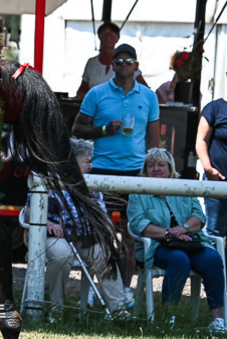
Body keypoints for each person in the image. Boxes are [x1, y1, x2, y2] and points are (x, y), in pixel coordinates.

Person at [72, 42, 161, 302]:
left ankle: (124, 289)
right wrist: (102, 130)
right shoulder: (97, 94)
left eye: (128, 60)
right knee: (99, 233)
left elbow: (154, 140)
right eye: (118, 61)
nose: (123, 64)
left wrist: (150, 170)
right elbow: (77, 128)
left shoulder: (148, 96)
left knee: (128, 235)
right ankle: (93, 290)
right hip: (101, 171)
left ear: (136, 65)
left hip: (134, 174)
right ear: (112, 67)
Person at [24, 138, 128, 318]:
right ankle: (55, 310)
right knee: (61, 254)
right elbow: (28, 212)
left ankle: (119, 310)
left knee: (104, 254)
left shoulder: (91, 182)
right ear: (72, 160)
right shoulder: (48, 177)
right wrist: (49, 224)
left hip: (83, 235)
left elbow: (100, 214)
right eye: (87, 160)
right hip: (50, 234)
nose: (91, 165)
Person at [127, 147, 227, 333]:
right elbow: (139, 224)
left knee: (213, 260)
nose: (156, 169)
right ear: (145, 169)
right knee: (179, 259)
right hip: (157, 245)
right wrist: (168, 233)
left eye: (161, 165)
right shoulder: (138, 192)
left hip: (190, 241)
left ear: (170, 168)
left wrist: (183, 228)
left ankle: (217, 320)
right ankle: (168, 318)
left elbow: (199, 216)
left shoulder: (182, 187)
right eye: (151, 165)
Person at [75, 22, 148, 99]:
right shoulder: (92, 63)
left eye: (111, 34)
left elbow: (144, 88)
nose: (108, 37)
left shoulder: (125, 63)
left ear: (117, 37)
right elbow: (83, 88)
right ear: (99, 36)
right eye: (104, 34)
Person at [196, 94, 227, 238]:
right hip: (216, 181)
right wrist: (208, 169)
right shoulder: (214, 108)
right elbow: (201, 140)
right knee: (215, 233)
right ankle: (215, 261)